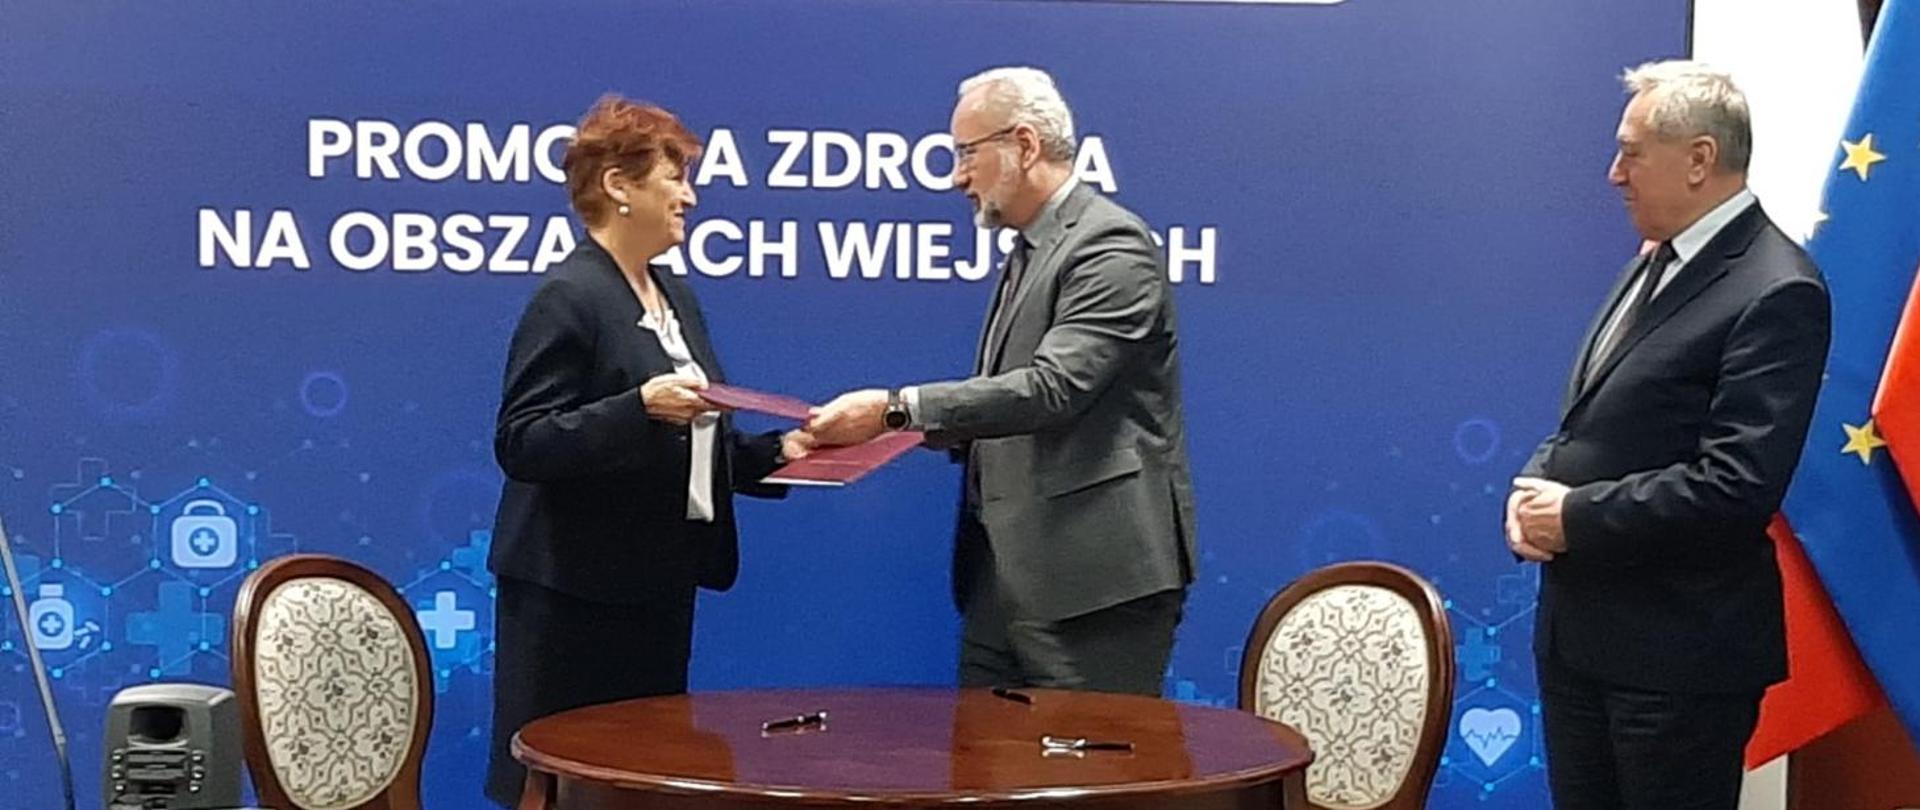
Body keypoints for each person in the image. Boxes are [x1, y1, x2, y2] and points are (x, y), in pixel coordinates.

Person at [808, 67, 1196, 696]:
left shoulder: (1109, 245)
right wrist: (890, 432)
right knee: (983, 755)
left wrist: (896, 409)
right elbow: (1009, 407)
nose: (957, 177)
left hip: (1091, 586)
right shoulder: (1031, 248)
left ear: (1024, 145)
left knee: (1090, 759)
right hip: (1003, 580)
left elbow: (1053, 390)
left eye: (966, 153)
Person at [1507, 60, 1831, 810]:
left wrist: (1574, 516)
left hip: (1676, 663)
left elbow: (1737, 487)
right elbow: (1599, 414)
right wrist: (1537, 485)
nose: (1614, 173)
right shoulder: (1659, 260)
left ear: (1698, 159)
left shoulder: (1777, 287)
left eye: (1632, 152)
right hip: (1583, 644)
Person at [484, 94, 812, 806]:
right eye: (676, 178)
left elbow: (694, 439)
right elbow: (524, 440)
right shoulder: (569, 295)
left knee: (642, 785)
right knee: (569, 787)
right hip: (572, 597)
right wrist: (636, 408)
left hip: (658, 586)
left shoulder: (675, 297)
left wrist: (788, 449)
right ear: (618, 186)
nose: (690, 197)